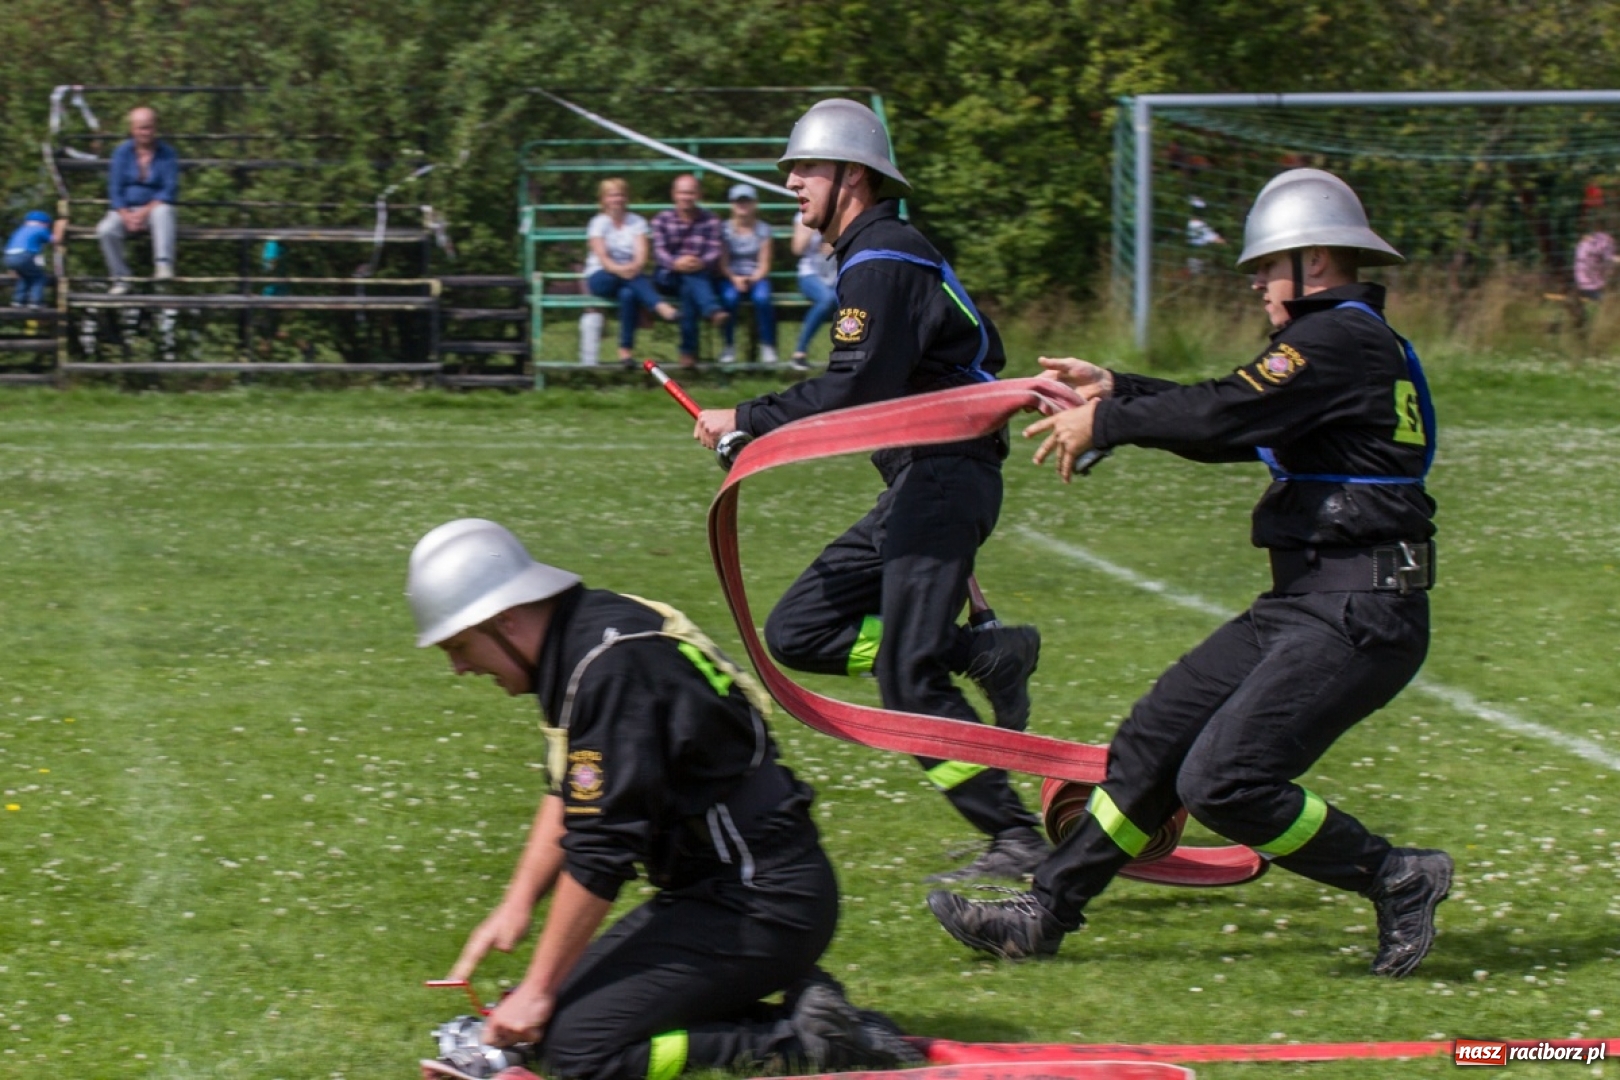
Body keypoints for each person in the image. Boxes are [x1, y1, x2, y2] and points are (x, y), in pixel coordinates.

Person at [928, 168, 1453, 980]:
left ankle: (1395, 875)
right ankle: (1043, 912)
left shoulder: (1337, 339)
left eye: (1264, 270)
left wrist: (1110, 417)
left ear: (1311, 261)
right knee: (1154, 739)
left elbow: (1222, 415)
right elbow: (1236, 413)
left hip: (1361, 607)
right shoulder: (1335, 345)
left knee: (1225, 781)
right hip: (1312, 597)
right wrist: (1123, 390)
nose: (1256, 288)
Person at [407, 519, 918, 1080]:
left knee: (579, 1050)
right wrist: (518, 903)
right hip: (724, 894)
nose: (459, 667)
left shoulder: (611, 669)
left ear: (504, 619)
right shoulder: (586, 635)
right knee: (552, 1019)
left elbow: (601, 850)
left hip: (763, 903)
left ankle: (802, 1042)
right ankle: (808, 1010)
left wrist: (538, 989)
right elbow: (570, 789)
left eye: (460, 645)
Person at [693, 98, 1048, 885]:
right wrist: (760, 435)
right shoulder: (876, 255)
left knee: (905, 676)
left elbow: (859, 388)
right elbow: (891, 398)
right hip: (924, 481)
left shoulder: (883, 255)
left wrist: (749, 419)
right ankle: (981, 652)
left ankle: (1016, 838)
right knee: (799, 631)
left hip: (946, 477)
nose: (789, 182)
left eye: (805, 167)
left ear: (852, 175)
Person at [582, 178, 678, 368]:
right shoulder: (597, 223)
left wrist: (632, 268)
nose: (616, 199)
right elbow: (603, 259)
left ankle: (625, 352)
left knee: (628, 294)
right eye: (611, 195)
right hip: (601, 276)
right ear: (603, 199)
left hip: (630, 275)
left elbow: (641, 256)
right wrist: (622, 270)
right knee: (633, 282)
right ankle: (659, 305)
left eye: (620, 194)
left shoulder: (637, 222)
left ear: (626, 198)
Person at [95, 105, 179, 294]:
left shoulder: (167, 154)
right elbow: (115, 190)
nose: (146, 132)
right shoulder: (121, 153)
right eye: (141, 128)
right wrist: (126, 215)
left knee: (164, 212)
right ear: (133, 130)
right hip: (125, 210)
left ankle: (163, 266)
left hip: (154, 209)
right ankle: (121, 278)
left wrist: (143, 213)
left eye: (149, 127)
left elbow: (169, 189)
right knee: (105, 230)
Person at [651, 174, 727, 368]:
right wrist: (676, 263)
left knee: (688, 290)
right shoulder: (662, 219)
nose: (686, 196)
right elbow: (659, 252)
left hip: (698, 274)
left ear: (699, 194)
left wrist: (699, 262)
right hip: (667, 276)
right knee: (690, 279)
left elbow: (715, 250)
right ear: (674, 194)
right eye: (682, 192)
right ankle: (711, 309)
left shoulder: (711, 220)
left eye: (691, 192)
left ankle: (687, 353)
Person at [716, 183, 778, 365]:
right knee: (729, 299)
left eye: (746, 201)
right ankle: (728, 346)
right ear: (732, 204)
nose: (742, 205)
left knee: (762, 299)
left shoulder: (764, 229)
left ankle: (768, 345)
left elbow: (764, 263)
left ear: (754, 204)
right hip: (731, 276)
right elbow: (723, 262)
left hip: (756, 276)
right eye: (738, 201)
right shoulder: (724, 229)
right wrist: (734, 278)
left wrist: (752, 279)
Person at [789, 210, 838, 372]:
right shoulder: (803, 217)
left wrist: (834, 245)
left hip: (835, 274)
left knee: (852, 302)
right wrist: (813, 225)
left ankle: (850, 354)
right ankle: (799, 352)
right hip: (810, 274)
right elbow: (797, 249)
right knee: (827, 299)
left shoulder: (841, 214)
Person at [4, 211, 62, 308]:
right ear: (45, 223)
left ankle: (18, 301)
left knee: (25, 276)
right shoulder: (40, 229)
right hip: (24, 256)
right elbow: (56, 240)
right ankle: (36, 302)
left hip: (8, 256)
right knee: (39, 278)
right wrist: (60, 227)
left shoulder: (20, 230)